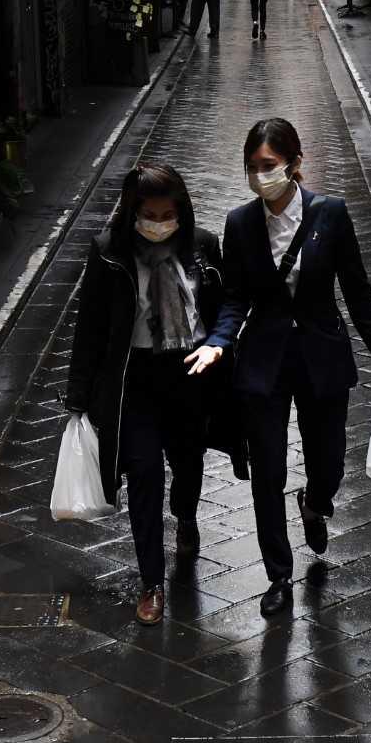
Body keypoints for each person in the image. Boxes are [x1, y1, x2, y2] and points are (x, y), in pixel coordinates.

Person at [192, 118, 371, 617]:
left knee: (328, 461)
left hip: (321, 355)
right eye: (252, 168)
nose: (259, 177)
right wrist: (219, 342)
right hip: (264, 361)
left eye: (268, 166)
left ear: (294, 164)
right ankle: (278, 575)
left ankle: (315, 502)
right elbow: (236, 297)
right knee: (267, 471)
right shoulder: (240, 223)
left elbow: (356, 288)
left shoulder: (331, 215)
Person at [65, 165, 245, 626]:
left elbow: (224, 305)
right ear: (132, 212)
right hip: (136, 379)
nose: (159, 222)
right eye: (150, 213)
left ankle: (185, 517)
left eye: (168, 213)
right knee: (144, 473)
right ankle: (152, 581)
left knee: (188, 463)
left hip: (189, 372)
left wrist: (218, 348)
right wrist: (79, 398)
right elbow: (91, 327)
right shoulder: (109, 253)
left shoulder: (202, 245)